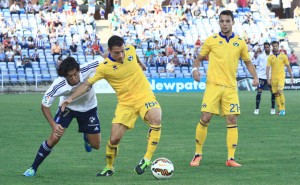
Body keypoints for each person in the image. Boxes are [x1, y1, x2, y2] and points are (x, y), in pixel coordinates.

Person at [61, 35, 162, 176]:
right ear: (109, 50)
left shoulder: (130, 49)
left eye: (122, 51)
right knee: (114, 139)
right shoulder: (104, 68)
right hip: (125, 104)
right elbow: (86, 85)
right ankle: (109, 167)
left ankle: (147, 159)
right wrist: (70, 98)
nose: (121, 55)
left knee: (156, 119)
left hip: (145, 96)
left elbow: (134, 54)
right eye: (116, 52)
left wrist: (141, 64)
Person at [190, 10, 259, 168]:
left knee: (232, 120)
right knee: (205, 117)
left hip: (230, 88)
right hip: (213, 85)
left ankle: (231, 158)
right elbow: (198, 59)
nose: (225, 24)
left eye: (227, 21)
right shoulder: (211, 40)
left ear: (232, 22)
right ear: (219, 23)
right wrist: (194, 70)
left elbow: (248, 62)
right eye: (222, 21)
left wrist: (255, 77)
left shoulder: (240, 42)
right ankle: (197, 154)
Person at [23, 56, 104, 177]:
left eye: (75, 74)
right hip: (67, 108)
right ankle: (33, 168)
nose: (74, 78)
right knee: (54, 138)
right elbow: (44, 105)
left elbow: (106, 58)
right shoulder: (58, 85)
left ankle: (86, 137)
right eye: (70, 76)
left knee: (96, 146)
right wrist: (53, 125)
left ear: (78, 70)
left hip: (89, 107)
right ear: (64, 76)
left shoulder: (88, 68)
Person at [266, 41, 293, 116]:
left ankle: (283, 109)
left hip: (281, 77)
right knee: (276, 94)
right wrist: (268, 79)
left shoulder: (283, 56)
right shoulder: (270, 57)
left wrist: (291, 76)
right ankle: (280, 110)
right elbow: (267, 68)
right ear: (272, 47)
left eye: (276, 46)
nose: (275, 47)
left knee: (280, 91)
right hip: (273, 78)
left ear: (278, 46)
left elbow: (288, 66)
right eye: (273, 46)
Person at [253, 42, 276, 115]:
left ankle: (272, 108)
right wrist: (255, 76)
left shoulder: (273, 56)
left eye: (268, 47)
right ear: (264, 48)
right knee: (259, 92)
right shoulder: (261, 56)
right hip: (261, 77)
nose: (266, 48)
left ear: (270, 47)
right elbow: (255, 65)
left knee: (273, 92)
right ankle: (257, 108)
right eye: (265, 47)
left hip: (270, 77)